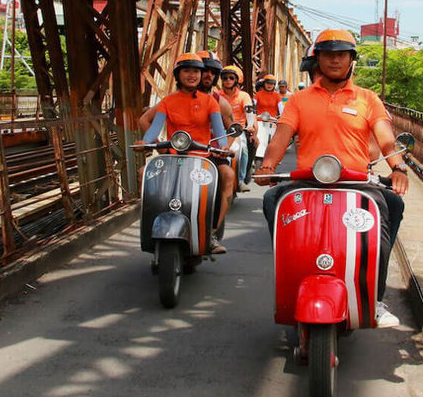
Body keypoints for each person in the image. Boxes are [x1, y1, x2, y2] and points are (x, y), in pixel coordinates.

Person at [254, 29, 408, 326]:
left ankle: (375, 298)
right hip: (307, 180)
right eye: (328, 54)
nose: (335, 60)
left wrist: (398, 168)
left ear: (352, 60)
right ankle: (289, 270)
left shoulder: (368, 99)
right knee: (272, 199)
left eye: (342, 54)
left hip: (357, 183)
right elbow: (281, 136)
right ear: (318, 59)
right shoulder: (299, 99)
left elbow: (386, 139)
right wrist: (267, 166)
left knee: (390, 208)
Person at [138, 53, 234, 254]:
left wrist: (224, 146)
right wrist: (147, 142)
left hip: (202, 159)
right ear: (178, 74)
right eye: (187, 70)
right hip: (174, 157)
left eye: (196, 71)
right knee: (143, 173)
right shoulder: (168, 101)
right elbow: (154, 127)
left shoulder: (210, 102)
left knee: (227, 175)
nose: (192, 75)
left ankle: (212, 232)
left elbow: (219, 130)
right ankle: (150, 224)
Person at [218, 64, 256, 188]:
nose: (227, 80)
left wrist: (250, 125)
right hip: (220, 129)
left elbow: (249, 111)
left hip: (238, 130)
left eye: (231, 78)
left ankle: (240, 180)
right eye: (225, 78)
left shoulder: (243, 96)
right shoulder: (217, 95)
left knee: (243, 149)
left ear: (237, 80)